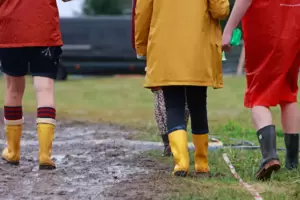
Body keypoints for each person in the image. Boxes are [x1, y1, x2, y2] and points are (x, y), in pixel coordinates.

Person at [133, 0, 229, 176]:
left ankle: (181, 163)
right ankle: (202, 164)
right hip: (198, 47)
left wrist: (141, 46)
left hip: (165, 47)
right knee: (199, 105)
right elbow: (219, 10)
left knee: (173, 105)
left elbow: (142, 13)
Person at [223, 0, 300, 180]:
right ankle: (292, 162)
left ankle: (269, 156)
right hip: (294, 26)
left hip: (266, 27)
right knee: (288, 94)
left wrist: (228, 29)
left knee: (258, 96)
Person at [0, 0, 69, 170]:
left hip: (10, 29)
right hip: (43, 29)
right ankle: (45, 155)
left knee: (13, 89)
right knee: (45, 89)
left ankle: (13, 151)